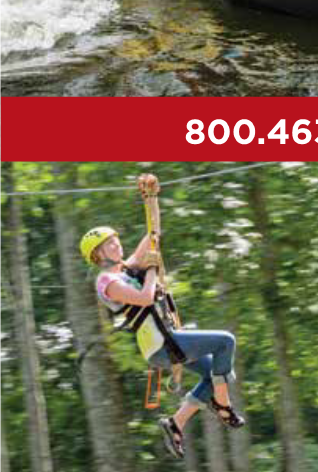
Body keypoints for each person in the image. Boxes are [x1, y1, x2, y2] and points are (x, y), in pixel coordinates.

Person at [80, 175, 242, 460]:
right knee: (225, 342)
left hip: (168, 339)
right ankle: (223, 405)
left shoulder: (126, 269)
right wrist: (152, 271)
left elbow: (153, 234)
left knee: (220, 372)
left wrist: (151, 198)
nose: (118, 246)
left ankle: (176, 423)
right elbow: (143, 298)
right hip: (160, 345)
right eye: (110, 244)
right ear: (98, 255)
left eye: (117, 241)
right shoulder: (106, 282)